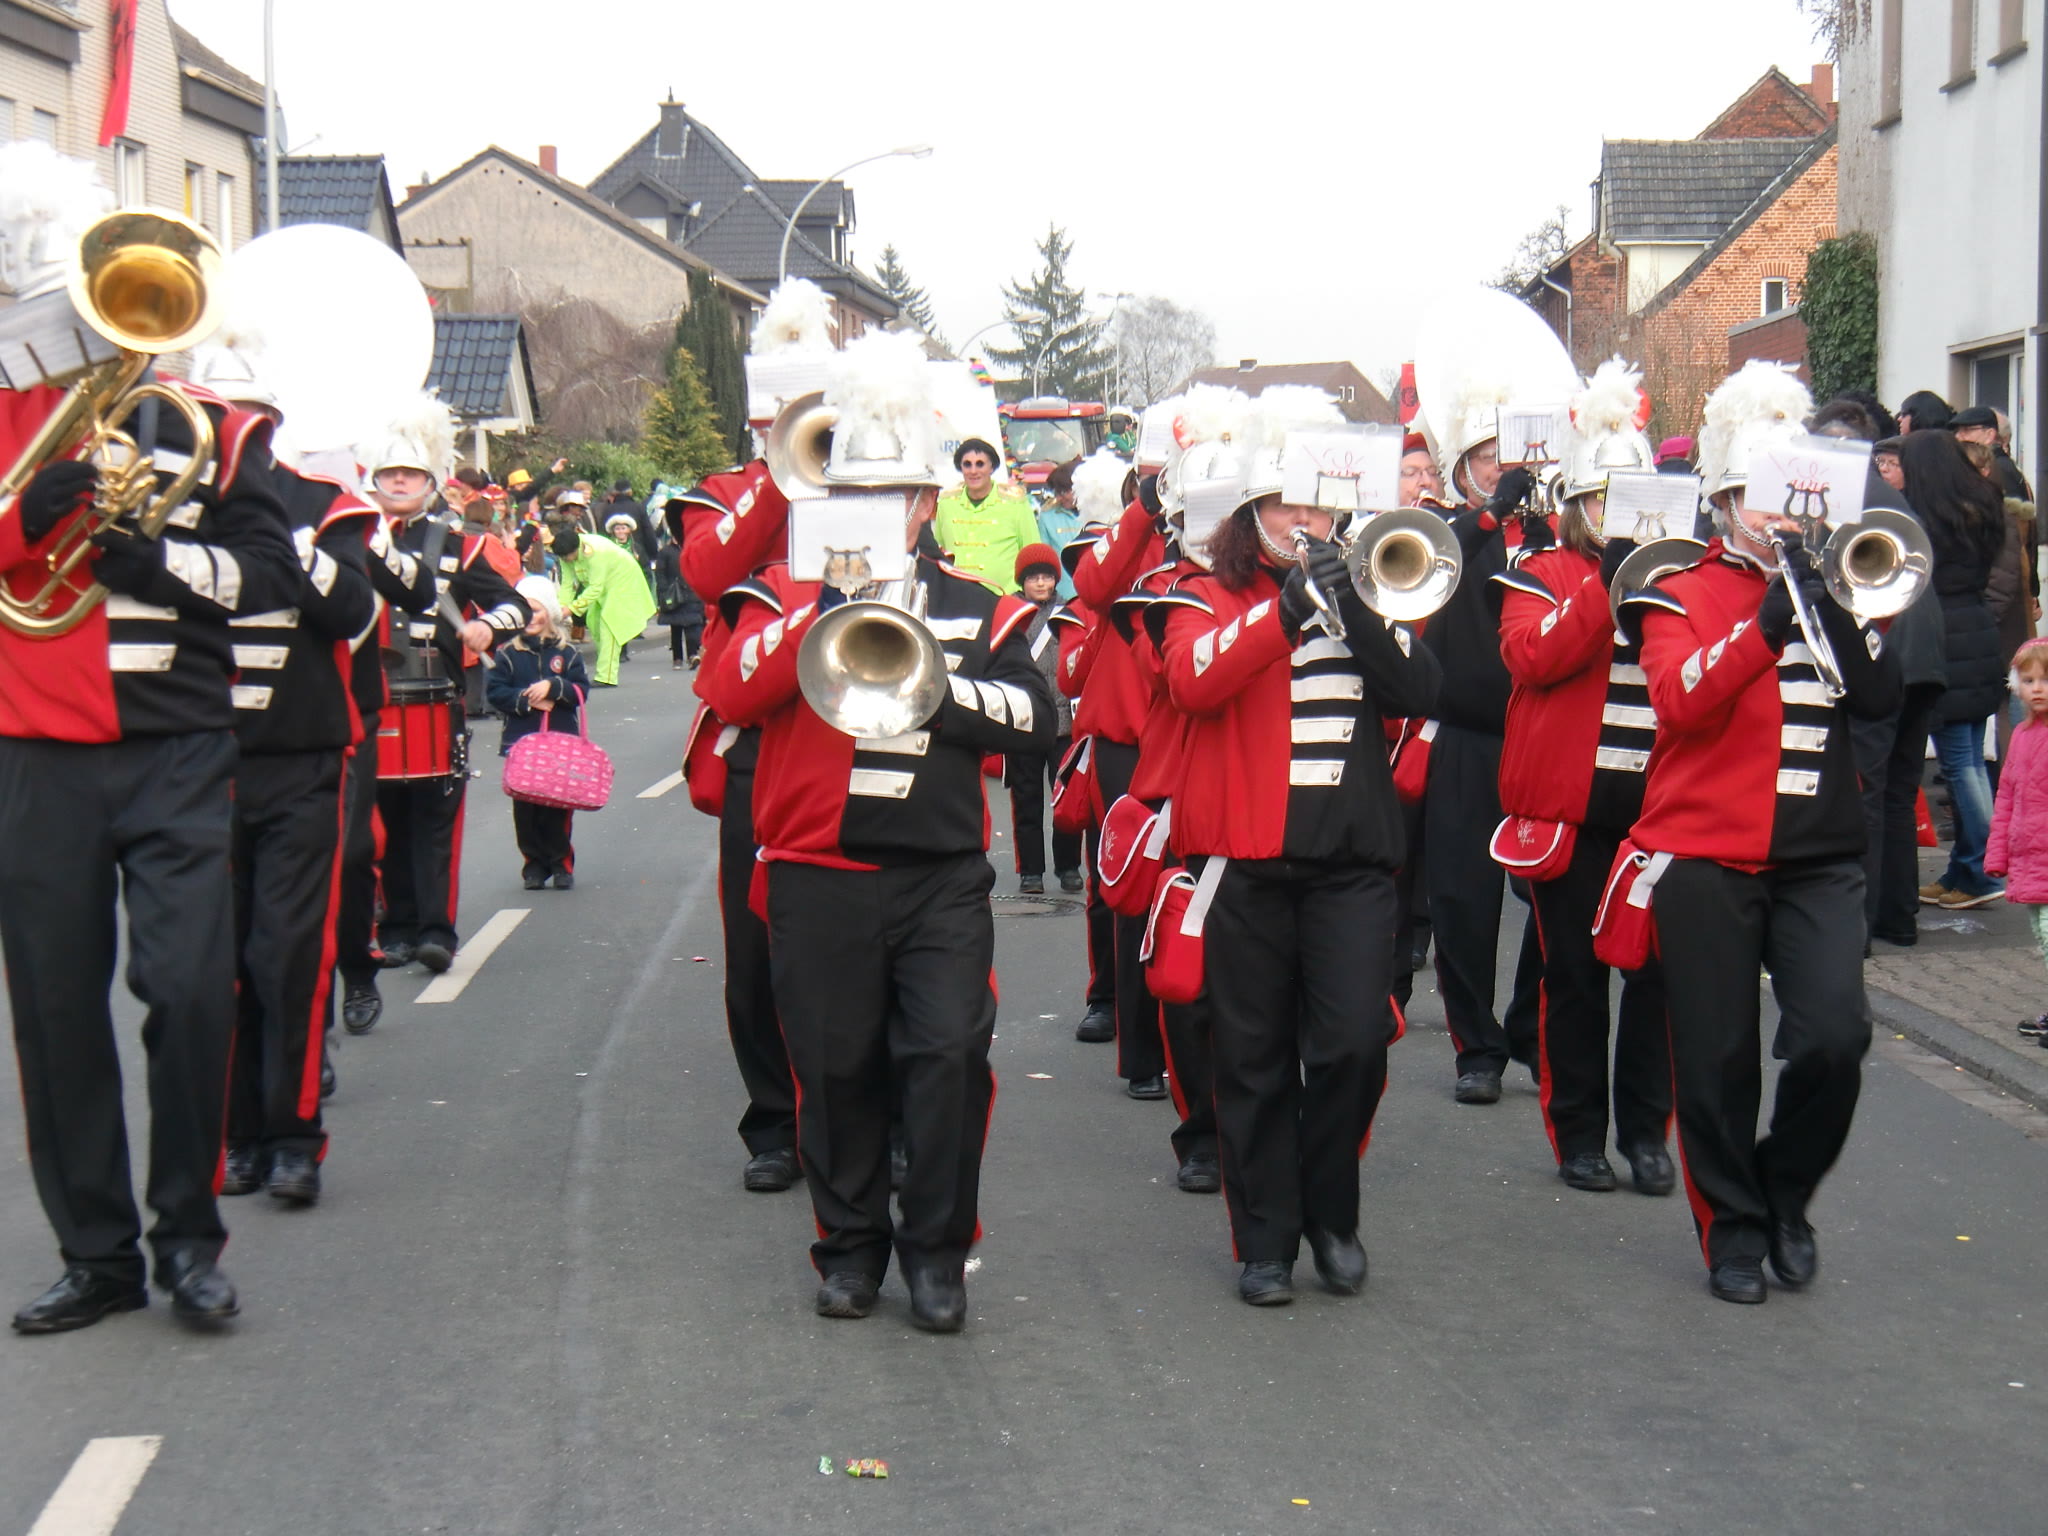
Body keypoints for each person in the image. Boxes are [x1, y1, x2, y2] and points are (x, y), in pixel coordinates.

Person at [0, 138, 306, 1333]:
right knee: (54, 1010)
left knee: (186, 990)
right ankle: (98, 1253)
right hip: (35, 748)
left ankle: (188, 1237)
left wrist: (162, 563)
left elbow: (271, 578)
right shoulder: (6, 418)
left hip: (175, 744)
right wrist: (23, 522)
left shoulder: (205, 424)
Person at [700, 332, 1055, 1331]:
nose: (873, 510)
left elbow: (1040, 719)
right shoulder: (779, 597)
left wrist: (937, 689)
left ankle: (936, 1253)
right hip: (816, 874)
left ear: (923, 504)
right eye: (852, 493)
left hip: (938, 879)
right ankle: (850, 1248)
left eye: (892, 494)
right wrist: (821, 605)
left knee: (948, 1057)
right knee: (834, 1069)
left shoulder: (976, 608)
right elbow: (729, 690)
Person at [1622, 360, 1901, 1305]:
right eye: (1760, 498)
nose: (1778, 517)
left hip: (1819, 853)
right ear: (1727, 502)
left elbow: (1879, 696)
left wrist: (1830, 605)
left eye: (1794, 500)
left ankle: (1785, 1191)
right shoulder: (1675, 590)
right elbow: (1679, 701)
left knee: (1834, 1037)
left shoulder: (1840, 586)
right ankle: (1732, 1229)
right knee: (1716, 1057)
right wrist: (1764, 626)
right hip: (1706, 852)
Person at [1155, 452, 1440, 1306]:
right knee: (1253, 1060)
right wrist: (1284, 611)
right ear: (1251, 513)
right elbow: (1192, 681)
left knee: (1353, 1043)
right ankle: (1266, 1242)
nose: (1305, 521)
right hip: (1244, 863)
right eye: (1285, 505)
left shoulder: (1370, 592)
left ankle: (1332, 1213)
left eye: (1319, 505)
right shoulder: (1200, 593)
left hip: (1350, 866)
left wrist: (1352, 604)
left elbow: (1420, 689)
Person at [187, 345, 378, 1209]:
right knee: (216, 963)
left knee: (287, 955)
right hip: (197, 757)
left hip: (301, 758)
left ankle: (295, 1137)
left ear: (268, 425)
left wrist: (293, 549)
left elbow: (352, 612)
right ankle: (238, 1137)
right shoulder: (169, 504)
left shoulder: (321, 506)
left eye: (244, 419)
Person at [1493, 360, 1674, 1196]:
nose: (1616, 516)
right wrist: (1608, 583)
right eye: (1602, 501)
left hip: (1660, 811)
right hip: (1570, 811)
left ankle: (1646, 1131)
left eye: (1630, 499)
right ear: (1575, 505)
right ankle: (1578, 1133)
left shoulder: (1679, 575)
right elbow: (1532, 657)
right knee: (1573, 977)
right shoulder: (1542, 573)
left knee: (1657, 975)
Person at [363, 396, 531, 975]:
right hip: (367, 699)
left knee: (432, 823)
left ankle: (435, 931)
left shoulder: (461, 546)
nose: (399, 481)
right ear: (374, 480)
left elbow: (515, 604)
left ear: (431, 482)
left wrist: (488, 626)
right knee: (380, 823)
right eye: (390, 473)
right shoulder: (350, 539)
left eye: (410, 473)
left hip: (434, 698)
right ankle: (396, 928)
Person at [1905, 430, 2010, 909]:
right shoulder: (1980, 507)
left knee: (1960, 766)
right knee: (1971, 761)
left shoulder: (1927, 519)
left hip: (1946, 638)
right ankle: (1964, 869)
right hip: (1978, 633)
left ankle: (1984, 868)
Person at [487, 580, 591, 890]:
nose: (531, 617)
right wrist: (526, 700)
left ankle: (561, 863)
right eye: (525, 611)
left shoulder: (567, 653)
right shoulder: (507, 653)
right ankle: (533, 864)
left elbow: (580, 690)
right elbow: (496, 692)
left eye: (536, 609)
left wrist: (554, 687)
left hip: (560, 742)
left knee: (558, 806)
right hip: (522, 743)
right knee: (525, 808)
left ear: (549, 612)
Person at [1005, 543, 1080, 894]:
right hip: (1024, 719)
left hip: (1064, 722)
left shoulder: (1070, 612)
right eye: (1033, 577)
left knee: (1065, 799)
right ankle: (1030, 871)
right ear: (1022, 580)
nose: (1040, 583)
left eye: (1047, 576)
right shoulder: (1010, 614)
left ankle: (1068, 866)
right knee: (1026, 799)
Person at [1987, 639, 2048, 1040]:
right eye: (2028, 680)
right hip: (2030, 857)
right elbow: (2006, 796)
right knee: (2042, 936)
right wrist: (1998, 854)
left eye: (2045, 680)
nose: (2037, 688)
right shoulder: (2023, 736)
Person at [932, 437, 1039, 594]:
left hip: (1004, 597)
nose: (973, 471)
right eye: (967, 464)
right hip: (957, 596)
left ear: (992, 467)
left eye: (980, 464)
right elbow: (938, 552)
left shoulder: (1015, 503)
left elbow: (1032, 552)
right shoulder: (946, 503)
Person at [555, 524, 656, 687]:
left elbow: (596, 587)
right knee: (593, 623)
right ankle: (604, 667)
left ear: (575, 549)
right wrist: (561, 607)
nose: (566, 560)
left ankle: (606, 677)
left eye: (568, 557)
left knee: (609, 625)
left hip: (622, 582)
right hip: (603, 584)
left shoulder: (596, 552)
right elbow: (568, 584)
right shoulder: (565, 552)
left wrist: (571, 609)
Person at [654, 523, 705, 668]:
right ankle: (677, 657)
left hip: (692, 593)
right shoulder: (665, 552)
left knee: (692, 627)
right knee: (676, 628)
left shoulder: (694, 549)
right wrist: (664, 592)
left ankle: (692, 655)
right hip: (674, 595)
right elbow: (660, 574)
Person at [1035, 460, 1085, 601]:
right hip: (1063, 596)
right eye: (1056, 492)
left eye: (1063, 492)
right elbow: (1043, 558)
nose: (1059, 498)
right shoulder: (1047, 517)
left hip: (1094, 592)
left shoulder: (1100, 513)